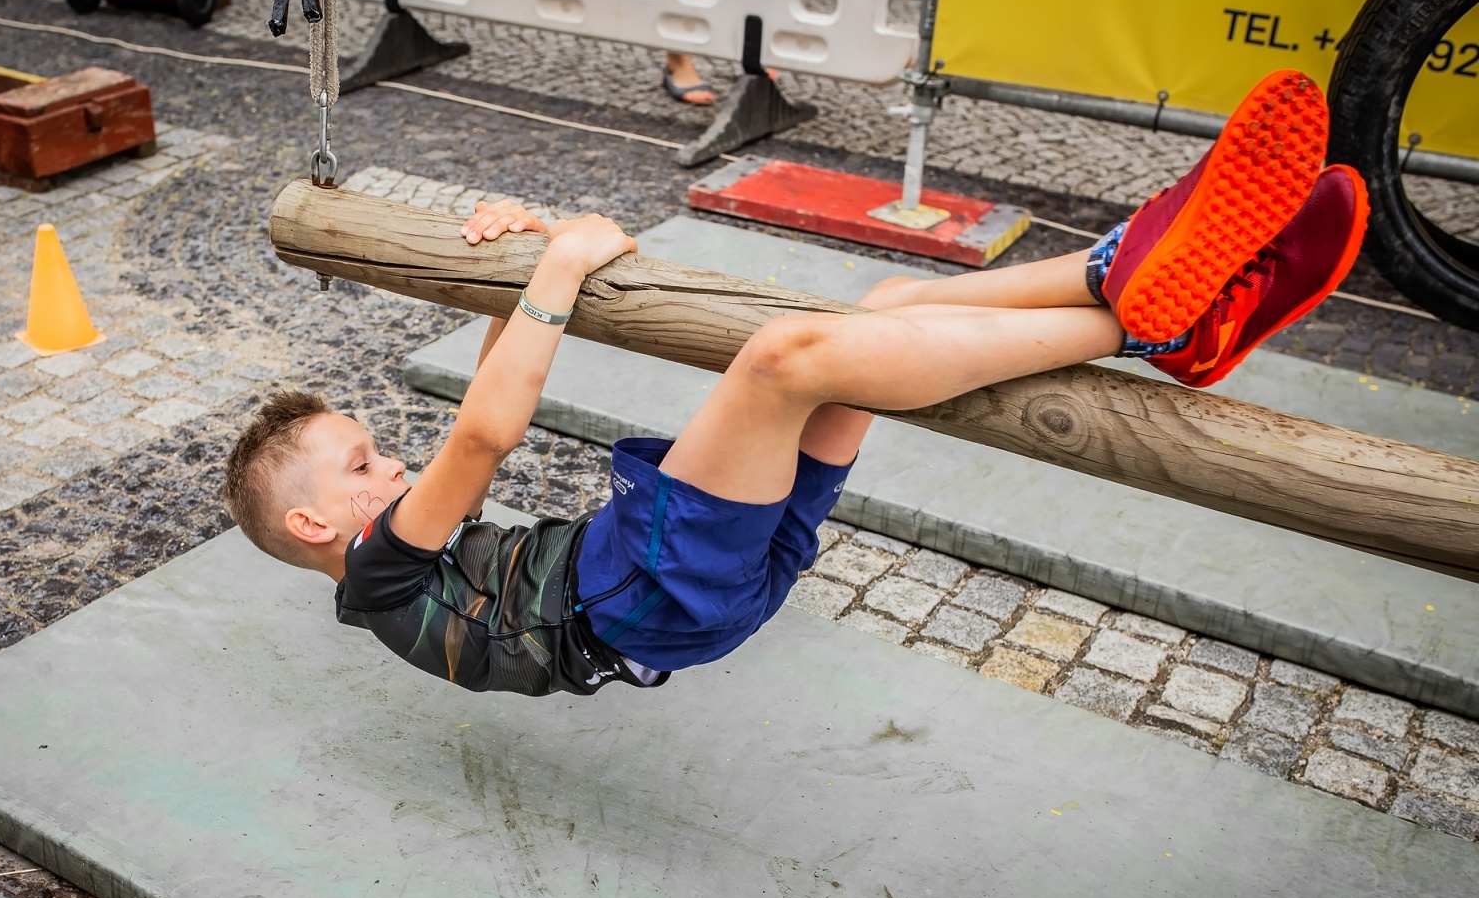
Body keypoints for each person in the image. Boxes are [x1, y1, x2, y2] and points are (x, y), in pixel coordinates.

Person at [222, 70, 1364, 697]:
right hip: (640, 593)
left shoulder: (395, 564)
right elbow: (483, 437)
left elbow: (482, 413)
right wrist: (560, 270)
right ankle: (1137, 321)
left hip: (693, 596)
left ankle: (1126, 286)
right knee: (781, 360)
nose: (394, 463)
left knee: (867, 319)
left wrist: (511, 271)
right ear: (319, 522)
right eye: (365, 462)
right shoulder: (379, 570)